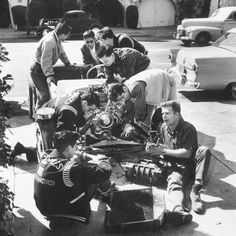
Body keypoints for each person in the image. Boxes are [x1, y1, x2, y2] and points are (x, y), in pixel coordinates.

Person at [146, 101, 211, 226]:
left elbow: (187, 153)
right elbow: (163, 146)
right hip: (177, 167)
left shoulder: (188, 128)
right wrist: (154, 149)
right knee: (174, 183)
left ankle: (195, 191)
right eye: (163, 113)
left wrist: (163, 150)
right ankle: (179, 211)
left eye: (167, 113)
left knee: (204, 150)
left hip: (193, 164)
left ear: (177, 114)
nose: (164, 116)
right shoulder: (163, 127)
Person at [34, 130, 112, 229]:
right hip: (66, 211)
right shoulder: (71, 169)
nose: (76, 149)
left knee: (76, 175)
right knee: (95, 175)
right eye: (75, 146)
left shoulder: (46, 157)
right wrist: (101, 160)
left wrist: (81, 158)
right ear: (69, 147)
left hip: (44, 209)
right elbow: (104, 172)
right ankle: (106, 194)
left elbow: (63, 170)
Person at [108, 68, 177, 131]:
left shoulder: (134, 87)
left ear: (124, 89)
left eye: (122, 97)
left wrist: (137, 119)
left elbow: (140, 105)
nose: (124, 100)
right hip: (157, 86)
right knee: (145, 122)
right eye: (121, 100)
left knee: (172, 114)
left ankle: (179, 136)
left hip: (167, 81)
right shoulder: (127, 85)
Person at [30, 21, 75, 110]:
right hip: (37, 70)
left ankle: (46, 111)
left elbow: (62, 53)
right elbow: (45, 61)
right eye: (67, 35)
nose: (67, 37)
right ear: (62, 34)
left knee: (54, 93)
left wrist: (67, 63)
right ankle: (38, 115)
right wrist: (49, 75)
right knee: (45, 95)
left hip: (43, 68)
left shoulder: (56, 38)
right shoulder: (50, 41)